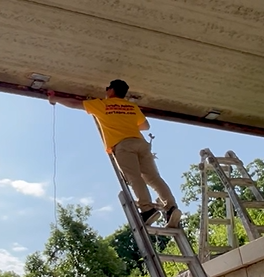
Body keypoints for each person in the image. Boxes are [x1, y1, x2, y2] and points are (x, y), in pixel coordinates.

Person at [47, 79, 181, 227]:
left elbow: (74, 104)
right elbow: (145, 126)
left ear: (111, 91)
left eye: (107, 89)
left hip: (123, 145)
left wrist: (55, 99)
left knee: (134, 178)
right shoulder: (131, 106)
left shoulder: (102, 105)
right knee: (154, 178)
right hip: (140, 143)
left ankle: (147, 209)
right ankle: (171, 207)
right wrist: (126, 122)